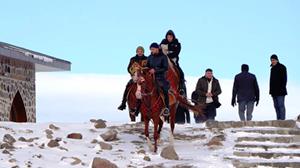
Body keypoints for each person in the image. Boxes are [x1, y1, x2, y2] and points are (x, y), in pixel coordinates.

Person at [118, 46, 147, 110]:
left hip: (144, 76)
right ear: (136, 52)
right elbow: (128, 68)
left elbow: (149, 67)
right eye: (138, 51)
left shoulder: (147, 59)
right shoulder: (133, 59)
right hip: (135, 75)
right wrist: (133, 72)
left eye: (141, 51)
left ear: (143, 52)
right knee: (128, 86)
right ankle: (123, 103)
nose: (140, 52)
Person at [146, 42, 170, 116]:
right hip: (150, 78)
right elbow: (147, 66)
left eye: (153, 49)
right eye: (151, 49)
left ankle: (166, 108)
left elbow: (166, 68)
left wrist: (155, 71)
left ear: (157, 49)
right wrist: (147, 69)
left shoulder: (163, 57)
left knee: (164, 90)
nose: (151, 51)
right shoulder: (149, 57)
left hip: (160, 78)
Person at [160, 30, 186, 94]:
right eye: (168, 37)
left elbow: (176, 53)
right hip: (163, 61)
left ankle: (181, 88)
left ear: (173, 37)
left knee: (181, 73)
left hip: (173, 61)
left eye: (170, 37)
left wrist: (167, 55)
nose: (169, 38)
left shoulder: (177, 44)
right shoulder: (162, 43)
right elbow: (159, 50)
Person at [269, 54, 287, 120]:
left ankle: (282, 120)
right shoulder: (272, 69)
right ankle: (278, 119)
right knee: (276, 106)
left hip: (281, 91)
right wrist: (270, 91)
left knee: (281, 105)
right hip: (273, 92)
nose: (272, 61)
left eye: (273, 60)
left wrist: (282, 88)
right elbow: (271, 81)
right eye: (271, 60)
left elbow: (284, 79)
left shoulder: (282, 67)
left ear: (277, 60)